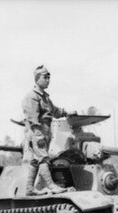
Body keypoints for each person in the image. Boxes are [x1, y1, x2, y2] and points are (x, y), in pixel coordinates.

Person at [22, 65, 70, 196]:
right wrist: (38, 135)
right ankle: (51, 185)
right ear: (37, 79)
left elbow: (55, 111)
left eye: (49, 77)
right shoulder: (32, 97)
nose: (48, 80)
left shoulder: (45, 98)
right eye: (45, 77)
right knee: (43, 158)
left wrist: (67, 113)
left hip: (46, 131)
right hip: (37, 131)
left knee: (35, 160)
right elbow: (32, 119)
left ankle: (29, 188)